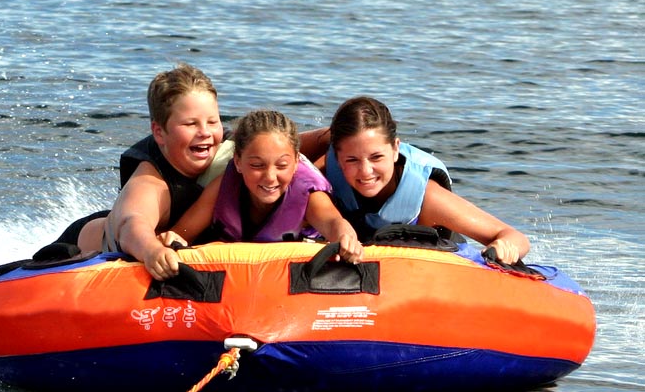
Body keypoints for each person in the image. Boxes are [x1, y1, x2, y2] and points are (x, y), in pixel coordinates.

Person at [0, 63, 228, 312]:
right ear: (159, 133)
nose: (205, 132)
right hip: (78, 257)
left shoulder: (228, 158)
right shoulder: (151, 182)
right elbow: (131, 225)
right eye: (190, 123)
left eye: (212, 121)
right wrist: (152, 251)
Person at [321, 95, 530, 264]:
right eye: (352, 160)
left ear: (395, 149)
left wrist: (504, 247)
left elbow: (514, 236)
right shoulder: (321, 171)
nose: (365, 171)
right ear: (337, 157)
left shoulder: (427, 197)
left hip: (429, 262)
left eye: (376, 157)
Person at [158, 109, 363, 265]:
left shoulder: (309, 194)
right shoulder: (223, 187)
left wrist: (346, 238)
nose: (270, 177)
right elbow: (182, 233)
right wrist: (171, 239)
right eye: (257, 165)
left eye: (282, 165)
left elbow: (333, 222)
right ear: (238, 162)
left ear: (296, 163)